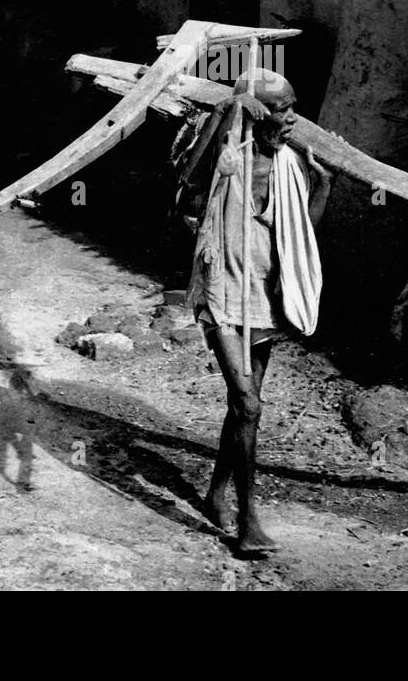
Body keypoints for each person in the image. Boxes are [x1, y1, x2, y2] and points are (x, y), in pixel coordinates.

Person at [177, 67, 331, 554]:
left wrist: (322, 187)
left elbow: (301, 236)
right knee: (248, 405)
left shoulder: (289, 163)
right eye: (281, 109)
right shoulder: (227, 160)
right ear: (257, 112)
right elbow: (189, 183)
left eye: (292, 107)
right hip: (223, 290)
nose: (291, 119)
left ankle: (215, 495)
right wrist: (228, 109)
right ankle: (249, 522)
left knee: (243, 408)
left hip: (264, 296)